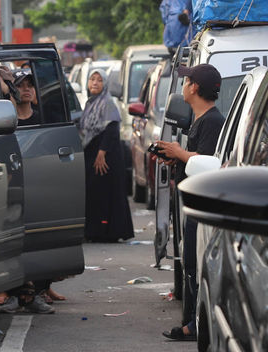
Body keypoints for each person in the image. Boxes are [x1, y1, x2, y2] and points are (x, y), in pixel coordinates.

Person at [152, 63, 225, 342]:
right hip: (190, 202)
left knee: (196, 265)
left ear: (194, 87)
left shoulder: (213, 121)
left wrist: (180, 153)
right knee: (190, 263)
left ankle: (195, 326)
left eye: (187, 81)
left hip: (202, 205)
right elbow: (195, 159)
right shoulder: (200, 119)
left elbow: (207, 164)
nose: (183, 85)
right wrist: (175, 157)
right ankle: (192, 322)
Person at [79, 69, 135, 243]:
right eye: (92, 79)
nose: (95, 83)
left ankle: (108, 232)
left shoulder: (108, 102)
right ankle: (95, 231)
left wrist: (102, 153)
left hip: (106, 156)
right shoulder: (90, 103)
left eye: (99, 80)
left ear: (105, 84)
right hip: (93, 153)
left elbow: (111, 129)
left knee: (106, 194)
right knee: (95, 194)